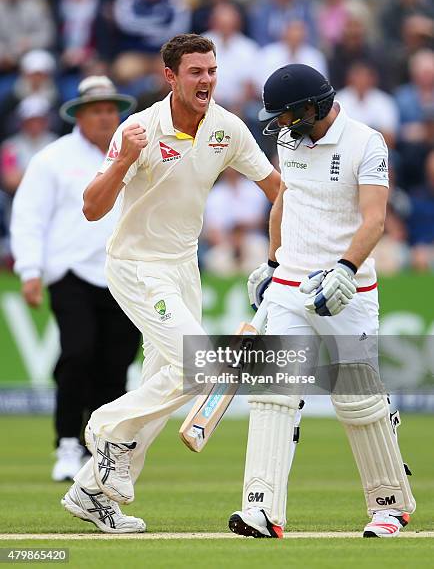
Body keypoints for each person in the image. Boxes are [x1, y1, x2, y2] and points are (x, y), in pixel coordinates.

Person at [61, 33, 280, 534]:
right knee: (199, 366)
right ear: (171, 77)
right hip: (137, 264)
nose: (206, 80)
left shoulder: (227, 128)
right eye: (195, 72)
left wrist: (280, 258)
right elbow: (92, 208)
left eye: (211, 70)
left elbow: (276, 188)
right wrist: (122, 160)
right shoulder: (138, 128)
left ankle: (92, 492)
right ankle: (105, 428)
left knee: (168, 387)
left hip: (184, 269)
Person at [228, 64, 415, 538]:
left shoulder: (366, 141)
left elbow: (374, 219)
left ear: (313, 106)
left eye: (289, 115)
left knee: (357, 400)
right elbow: (285, 201)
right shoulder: (290, 139)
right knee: (273, 396)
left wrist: (346, 268)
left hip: (346, 290)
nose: (282, 126)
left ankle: (389, 506)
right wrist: (272, 265)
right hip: (291, 286)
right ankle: (261, 510)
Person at [10, 76, 141, 482]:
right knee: (78, 354)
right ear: (79, 115)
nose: (105, 117)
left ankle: (102, 449)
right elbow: (29, 216)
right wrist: (30, 270)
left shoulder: (136, 154)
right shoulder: (53, 158)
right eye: (96, 110)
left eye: (110, 110)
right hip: (70, 272)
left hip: (124, 273)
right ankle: (68, 442)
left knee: (116, 365)